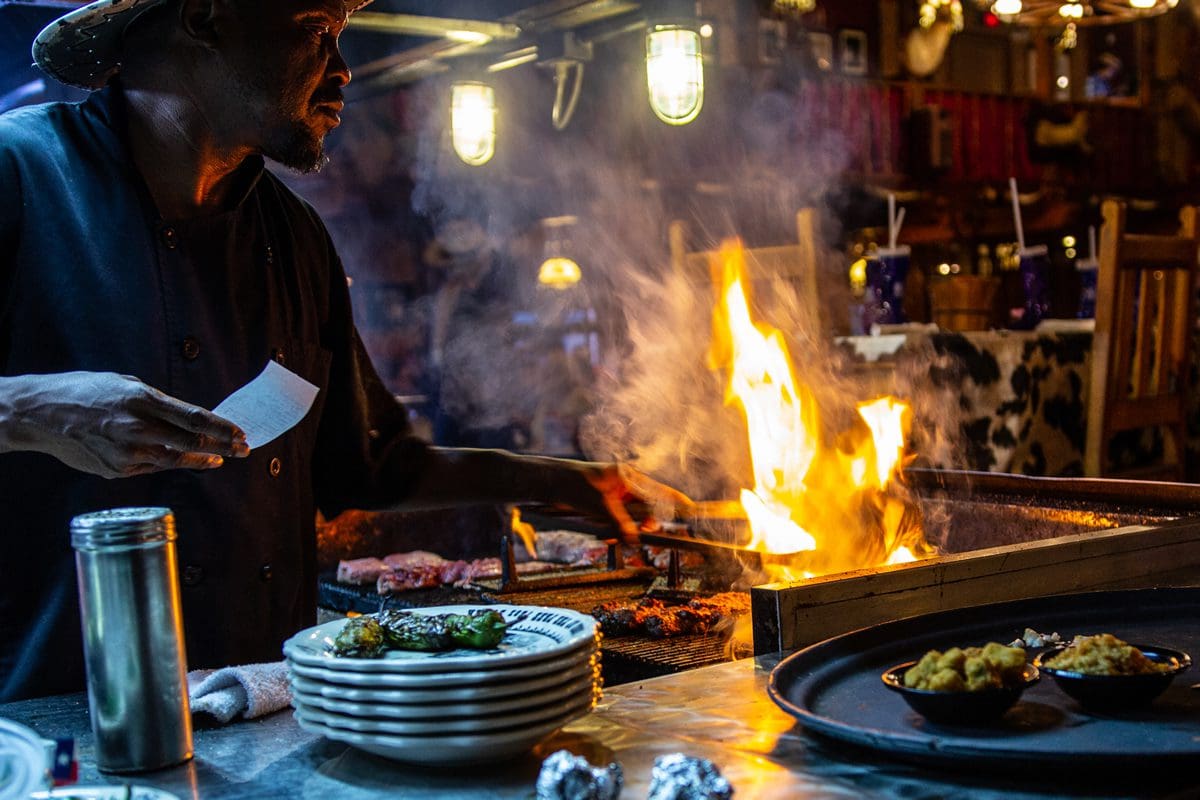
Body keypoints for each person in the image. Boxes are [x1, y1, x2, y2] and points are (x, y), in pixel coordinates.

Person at [0, 0, 690, 702]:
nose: (343, 68)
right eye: (315, 28)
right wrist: (30, 409)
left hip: (261, 702)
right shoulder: (18, 171)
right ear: (207, 16)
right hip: (50, 720)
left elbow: (369, 465)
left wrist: (572, 482)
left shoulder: (294, 236)